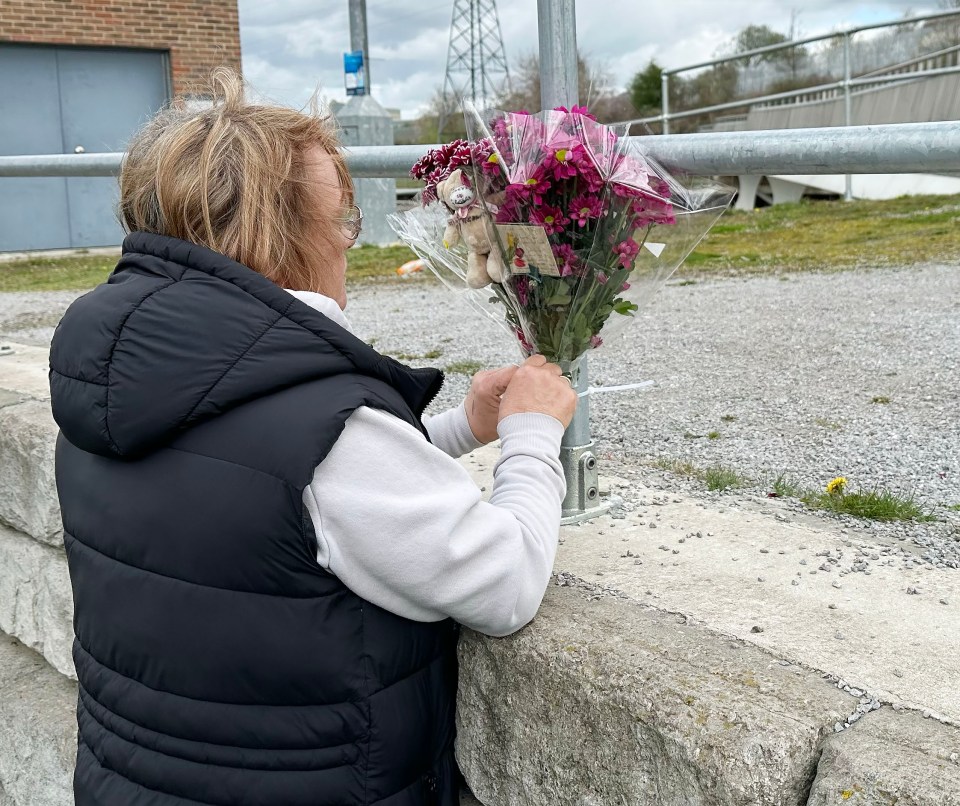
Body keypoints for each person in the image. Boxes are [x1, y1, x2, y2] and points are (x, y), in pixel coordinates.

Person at [49, 69, 577, 806]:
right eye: (340, 219)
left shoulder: (115, 382)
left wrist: (461, 428)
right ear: (279, 234)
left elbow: (254, 478)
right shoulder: (332, 437)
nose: (348, 243)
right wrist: (530, 433)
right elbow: (505, 582)